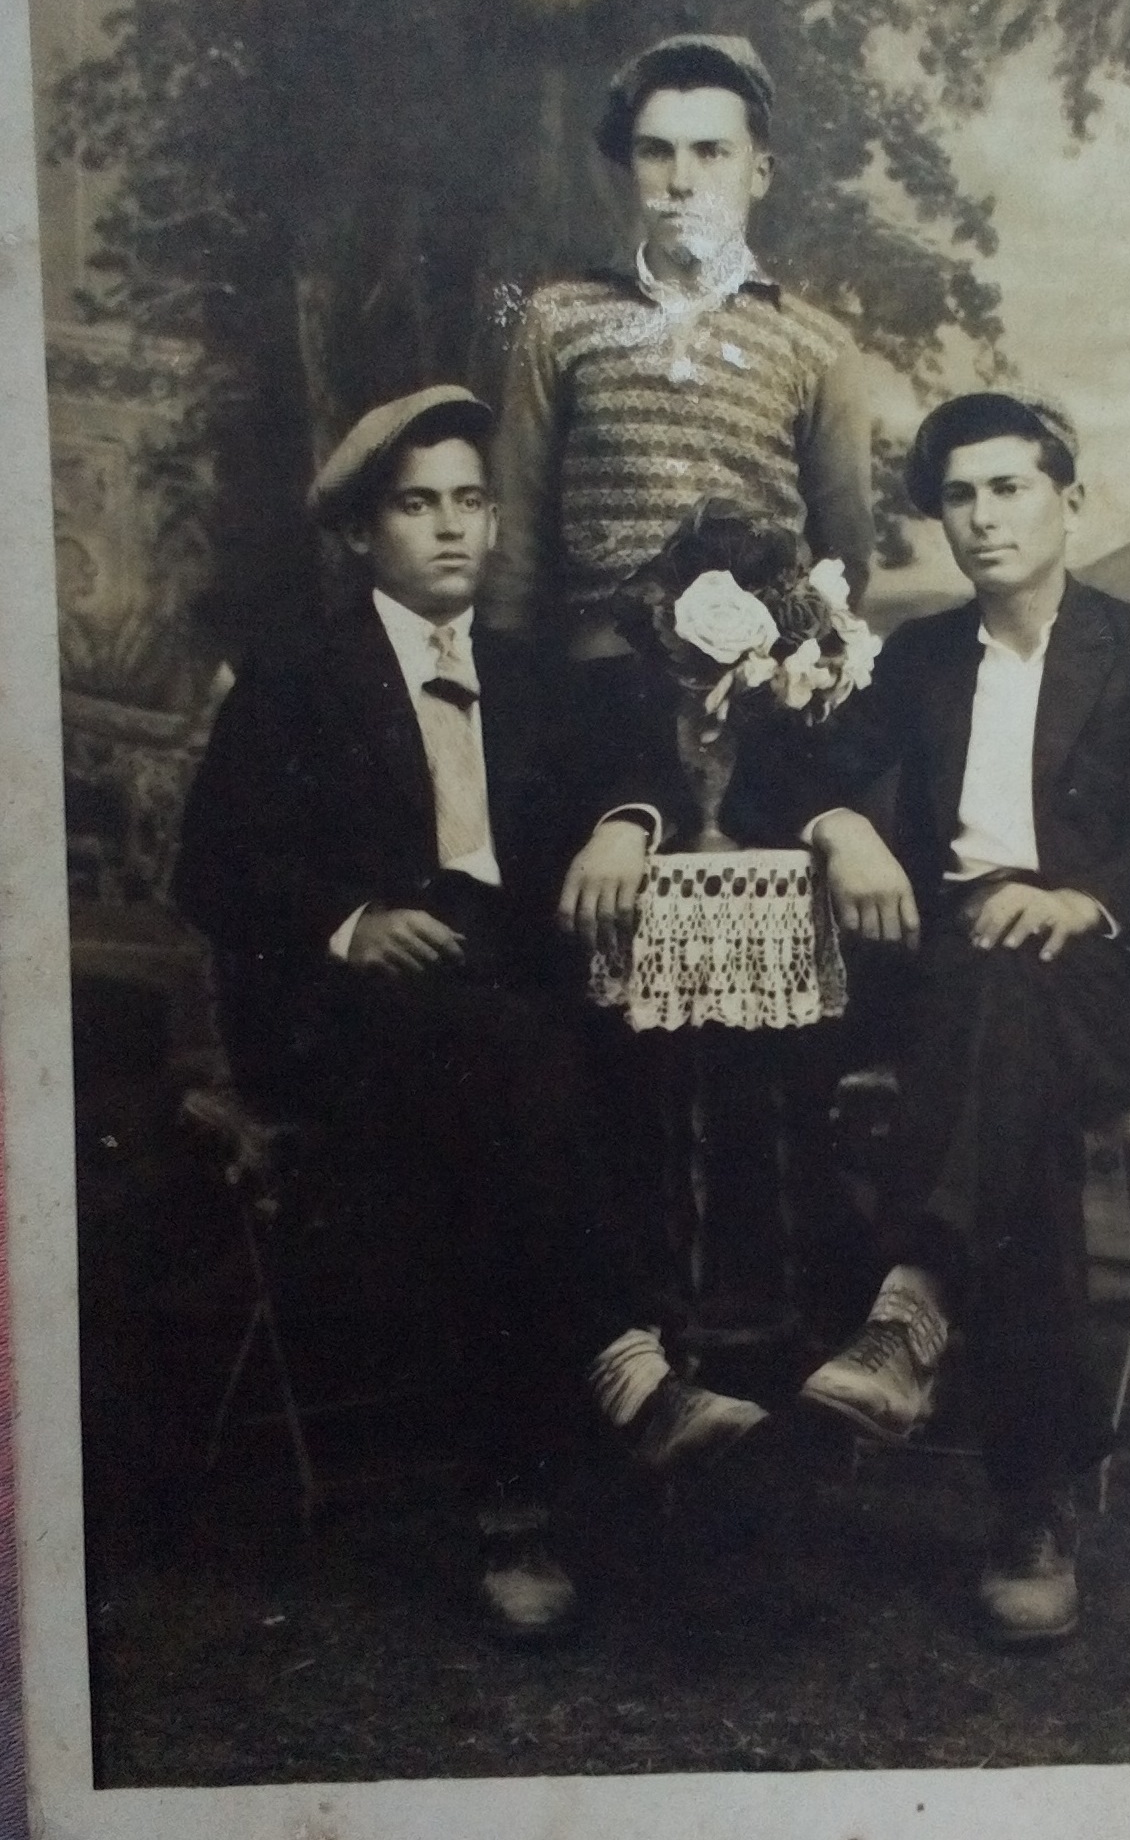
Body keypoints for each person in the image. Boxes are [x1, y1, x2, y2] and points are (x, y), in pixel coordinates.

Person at [173, 387, 767, 1643]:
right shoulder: (298, 676)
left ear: (494, 519)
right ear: (360, 532)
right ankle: (602, 1407)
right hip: (347, 1012)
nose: (450, 528)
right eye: (415, 504)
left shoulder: (531, 673)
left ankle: (570, 1470)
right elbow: (214, 866)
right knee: (505, 1070)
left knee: (602, 1058)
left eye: (469, 501)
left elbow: (640, 771)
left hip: (509, 996)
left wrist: (623, 826)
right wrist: (350, 921)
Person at [788, 392, 1130, 1646]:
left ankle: (911, 1302)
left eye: (1008, 487)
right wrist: (841, 829)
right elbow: (796, 770)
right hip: (959, 983)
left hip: (1111, 976)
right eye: (959, 495)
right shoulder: (920, 658)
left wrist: (1074, 899)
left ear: (1067, 500)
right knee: (1008, 1075)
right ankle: (1030, 1507)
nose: (983, 516)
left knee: (1011, 1000)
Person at [481, 31, 876, 924]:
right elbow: (516, 547)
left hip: (757, 718)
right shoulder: (560, 320)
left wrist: (787, 682)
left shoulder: (814, 343)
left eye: (711, 152)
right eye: (655, 152)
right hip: (592, 708)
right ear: (629, 169)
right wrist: (515, 715)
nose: (681, 179)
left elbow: (843, 561)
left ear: (759, 172)